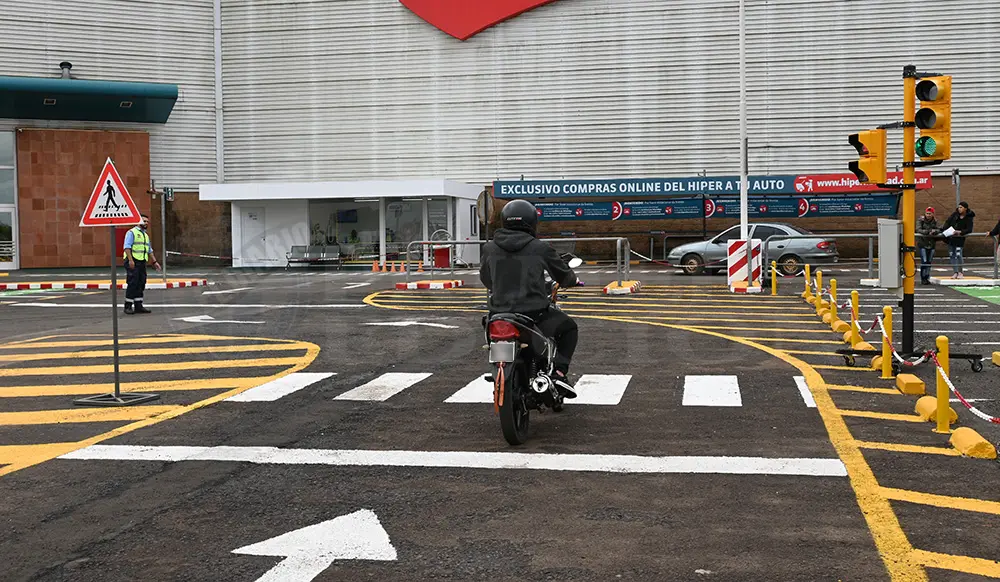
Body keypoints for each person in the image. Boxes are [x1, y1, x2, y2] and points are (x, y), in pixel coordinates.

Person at [480, 199, 580, 397]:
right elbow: (564, 276)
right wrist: (572, 279)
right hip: (534, 314)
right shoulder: (539, 248)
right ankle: (559, 373)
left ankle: (500, 367)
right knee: (569, 329)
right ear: (531, 222)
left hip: (498, 314)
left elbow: (486, 279)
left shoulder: (489, 248)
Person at [122, 214, 160, 314]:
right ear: (138, 221)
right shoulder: (131, 232)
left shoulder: (145, 235)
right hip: (133, 261)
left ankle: (138, 305)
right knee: (132, 283)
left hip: (142, 262)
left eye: (147, 221)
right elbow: (127, 247)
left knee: (141, 283)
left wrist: (155, 261)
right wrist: (130, 260)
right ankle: (128, 306)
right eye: (144, 221)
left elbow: (149, 250)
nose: (146, 223)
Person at [942, 201, 975, 279]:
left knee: (958, 254)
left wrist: (960, 232)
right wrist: (946, 230)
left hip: (960, 239)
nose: (959, 209)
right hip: (951, 237)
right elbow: (947, 222)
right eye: (959, 207)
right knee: (952, 255)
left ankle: (960, 272)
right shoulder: (954, 215)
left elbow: (969, 229)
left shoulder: (969, 217)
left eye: (961, 207)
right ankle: (955, 272)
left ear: (965, 208)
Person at [916, 206, 939, 284]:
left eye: (930, 213)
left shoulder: (935, 221)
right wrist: (927, 232)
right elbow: (918, 229)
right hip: (923, 243)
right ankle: (923, 278)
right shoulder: (921, 220)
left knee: (929, 262)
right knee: (924, 261)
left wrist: (935, 231)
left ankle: (927, 277)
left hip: (932, 243)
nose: (928, 215)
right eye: (927, 213)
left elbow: (939, 229)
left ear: (933, 214)